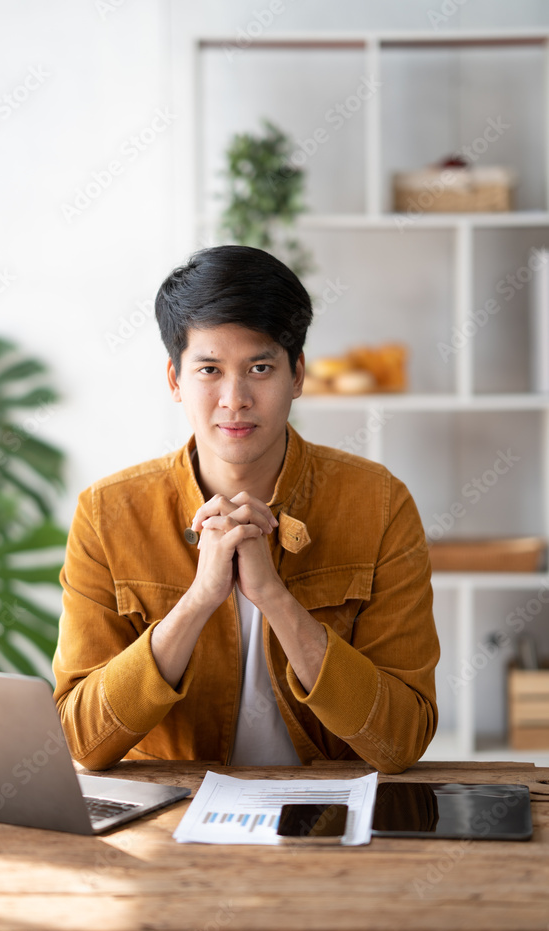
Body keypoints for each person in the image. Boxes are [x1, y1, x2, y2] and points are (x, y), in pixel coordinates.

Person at [52, 245, 439, 774]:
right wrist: (198, 601)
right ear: (175, 380)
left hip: (330, 815)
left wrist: (275, 599)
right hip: (169, 825)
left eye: (259, 367)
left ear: (297, 375)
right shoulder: (107, 513)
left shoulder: (379, 504)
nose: (234, 398)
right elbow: (81, 740)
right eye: (209, 369)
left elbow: (401, 741)